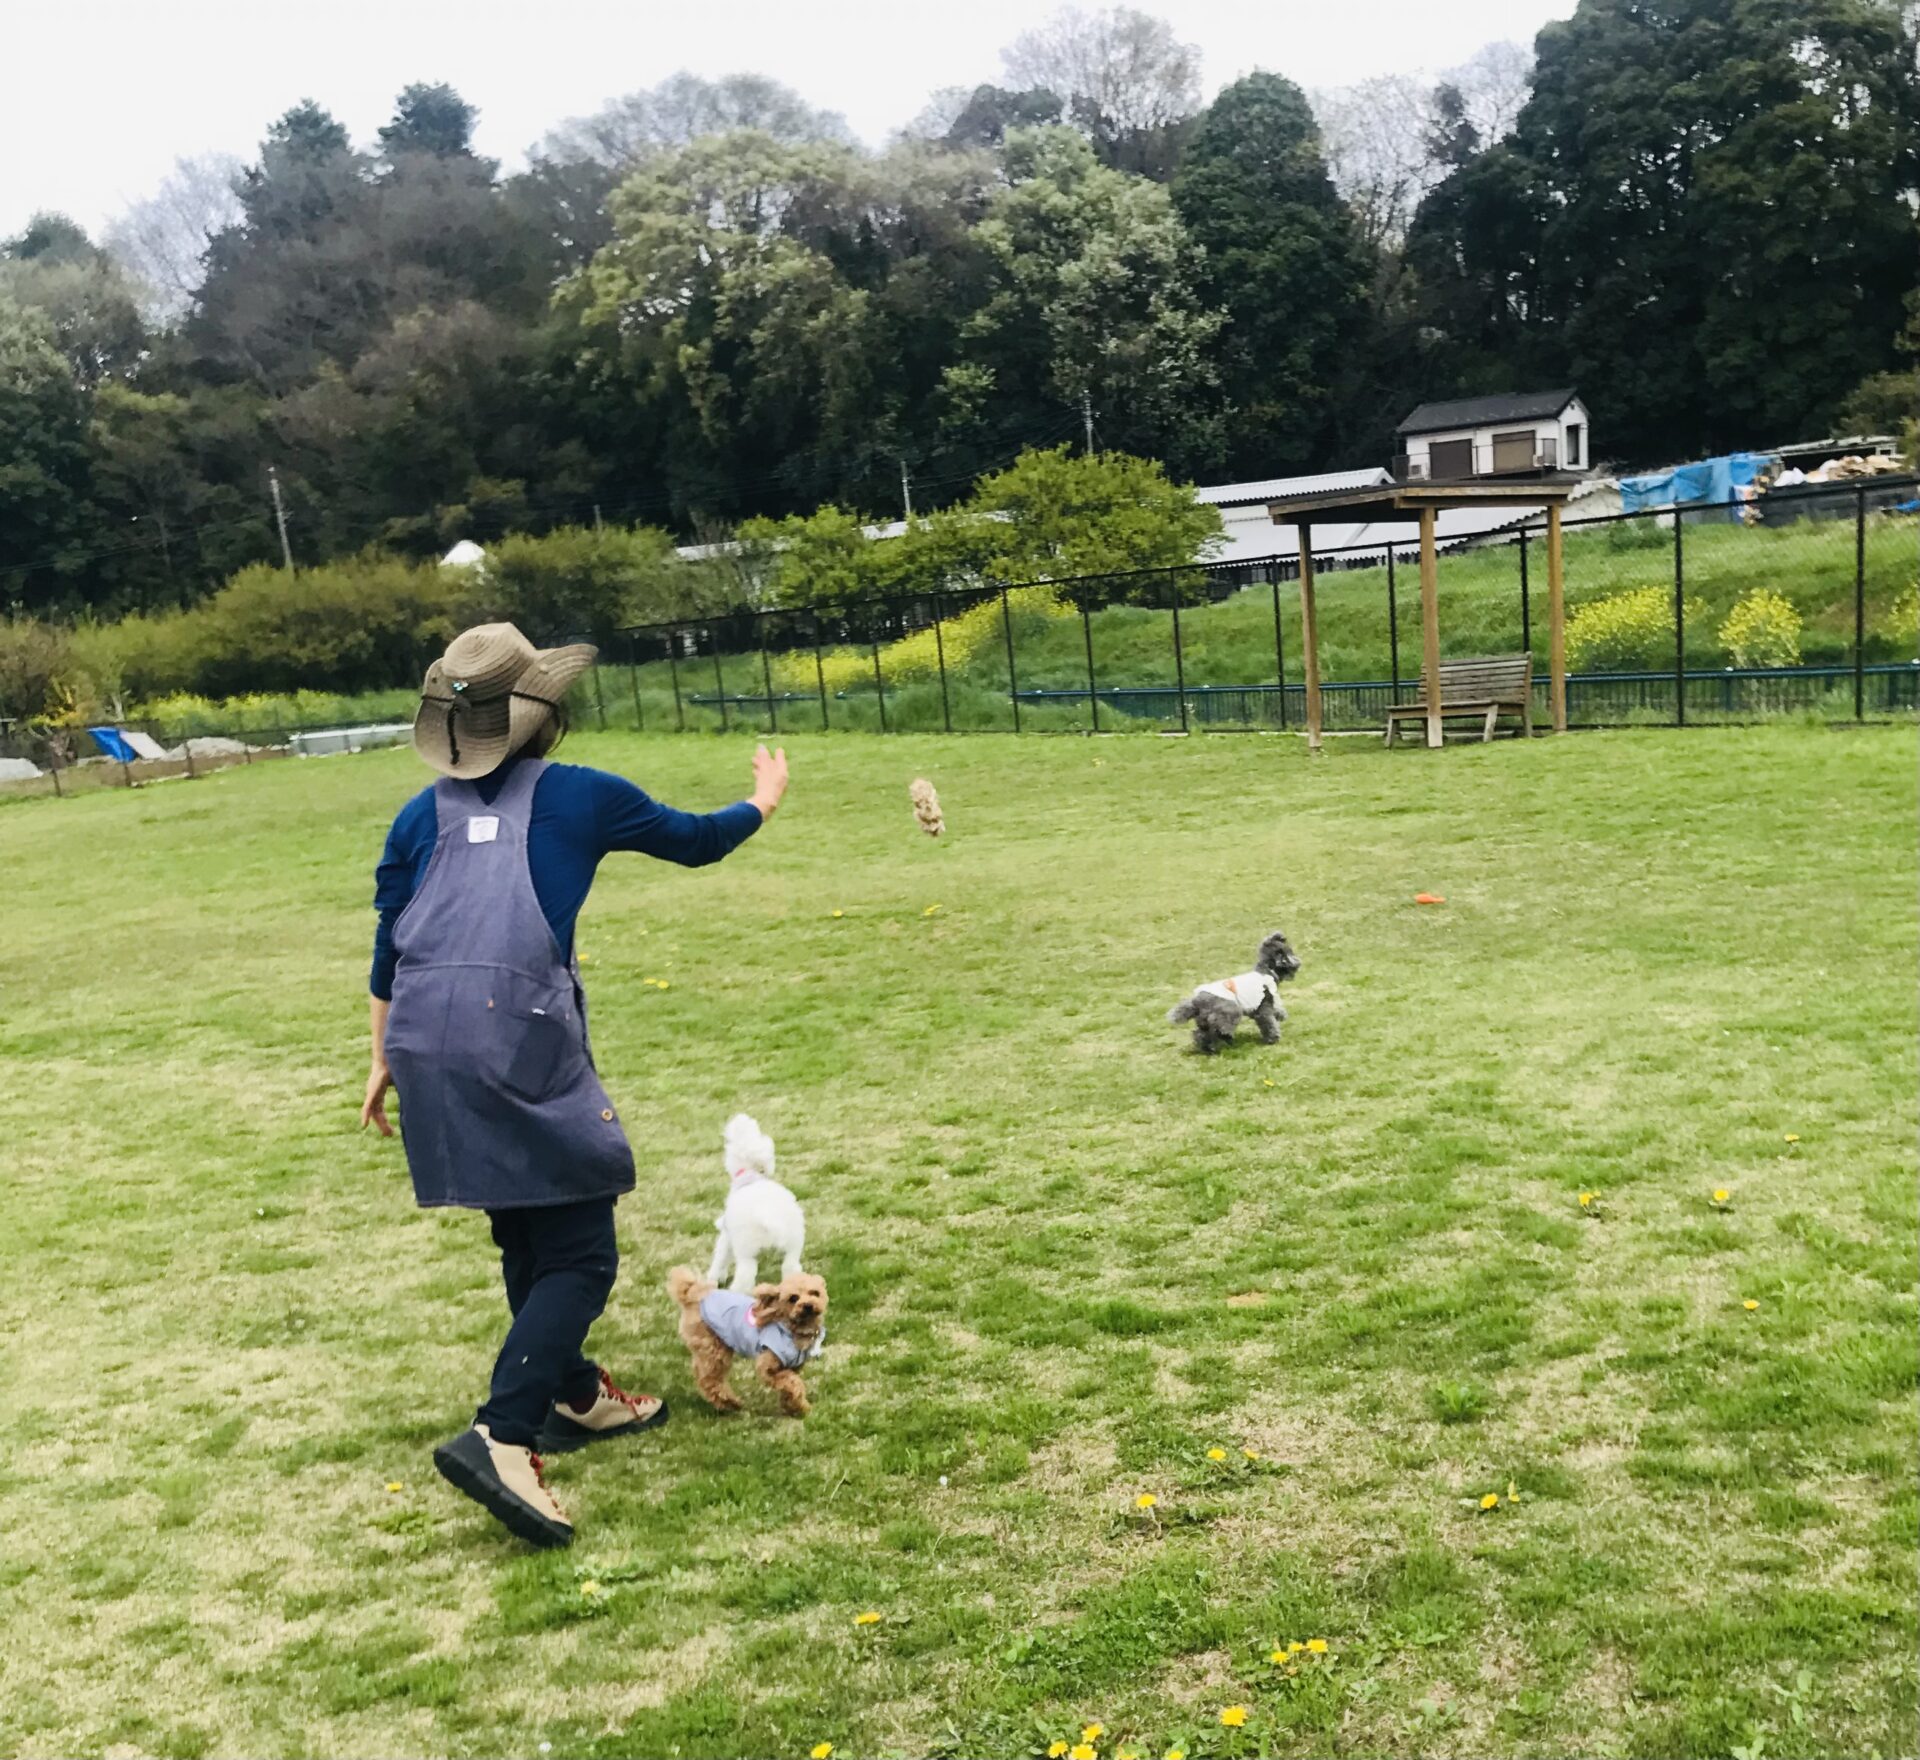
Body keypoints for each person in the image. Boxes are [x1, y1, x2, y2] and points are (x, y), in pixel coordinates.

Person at [360, 622, 788, 1548]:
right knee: (583, 1252)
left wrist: (384, 1055)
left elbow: (390, 942)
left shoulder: (417, 816)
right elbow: (696, 840)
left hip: (426, 1037)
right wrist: (763, 799)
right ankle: (504, 1433)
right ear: (543, 714)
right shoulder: (579, 795)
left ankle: (575, 1394)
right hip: (514, 1035)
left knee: (524, 1221)